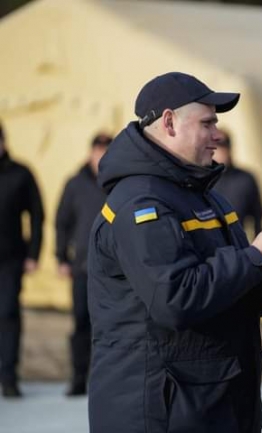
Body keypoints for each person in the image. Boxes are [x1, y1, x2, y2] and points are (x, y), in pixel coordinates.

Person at [87, 72, 262, 433]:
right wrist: (256, 257)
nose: (217, 134)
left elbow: (230, 291)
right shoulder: (142, 203)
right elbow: (175, 298)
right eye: (207, 123)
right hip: (159, 411)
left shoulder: (205, 196)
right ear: (169, 122)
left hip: (208, 404)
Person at [55, 132, 112, 396]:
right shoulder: (75, 184)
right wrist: (61, 258)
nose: (101, 155)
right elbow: (62, 222)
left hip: (114, 270)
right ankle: (78, 378)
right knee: (80, 322)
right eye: (98, 150)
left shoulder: (120, 182)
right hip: (83, 267)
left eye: (106, 150)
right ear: (91, 152)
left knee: (111, 325)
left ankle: (107, 380)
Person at [0, 120, 44, 398]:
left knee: (7, 315)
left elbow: (37, 215)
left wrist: (33, 254)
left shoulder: (21, 174)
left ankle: (8, 378)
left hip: (10, 259)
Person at [212, 131, 262, 236]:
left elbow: (258, 217)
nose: (220, 151)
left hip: (237, 240)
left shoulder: (245, 179)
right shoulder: (201, 182)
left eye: (224, 145)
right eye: (216, 146)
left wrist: (258, 244)